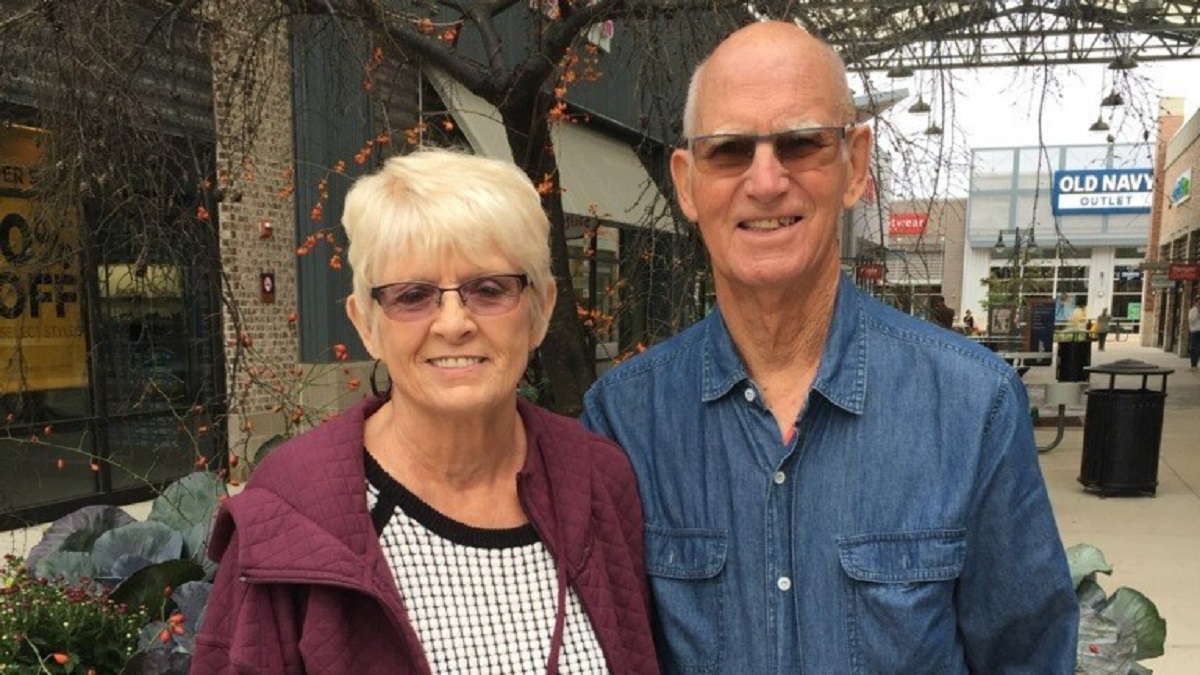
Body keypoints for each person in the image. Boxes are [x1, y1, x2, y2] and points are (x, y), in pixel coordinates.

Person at [580, 22, 1077, 673]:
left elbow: (1029, 657)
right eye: (728, 150)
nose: (765, 181)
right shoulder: (625, 420)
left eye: (800, 143)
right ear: (686, 182)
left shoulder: (971, 406)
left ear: (855, 164)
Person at [193, 150, 657, 673]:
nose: (453, 324)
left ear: (541, 309)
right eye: (413, 296)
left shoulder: (598, 482)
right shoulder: (292, 510)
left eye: (489, 289)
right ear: (366, 324)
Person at [1189, 295, 1200, 371]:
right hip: (1195, 331)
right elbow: (1191, 321)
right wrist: (1198, 313)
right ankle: (1193, 365)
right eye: (1198, 302)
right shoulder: (1192, 311)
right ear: (1195, 303)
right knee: (1194, 349)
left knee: (1198, 349)